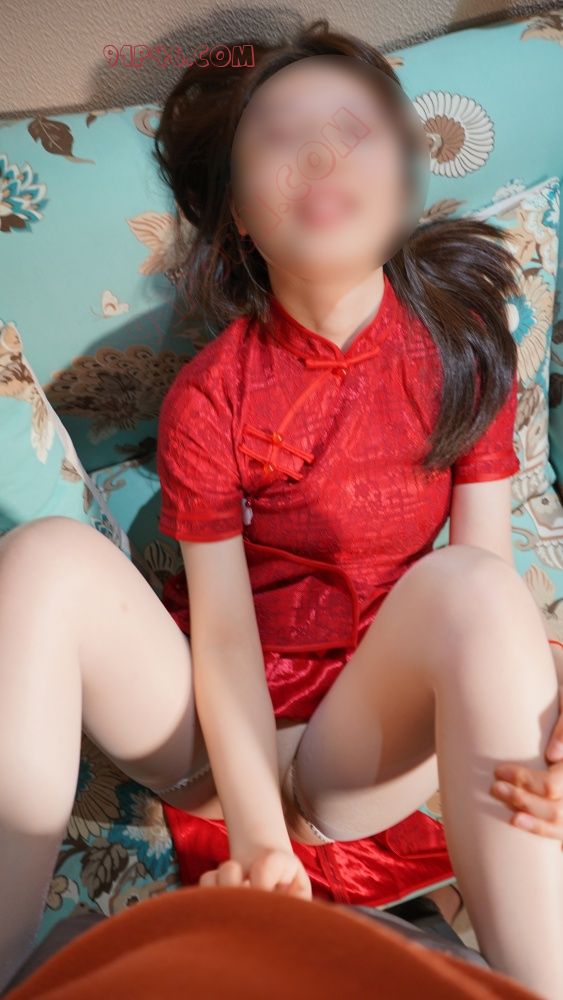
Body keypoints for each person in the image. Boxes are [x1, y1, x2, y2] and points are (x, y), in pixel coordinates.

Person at [1, 17, 563, 1000]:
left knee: (474, 587)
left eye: (353, 129)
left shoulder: (464, 343)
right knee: (43, 558)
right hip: (217, 738)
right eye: (278, 138)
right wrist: (260, 843)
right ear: (239, 216)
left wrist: (543, 701)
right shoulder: (210, 396)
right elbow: (221, 639)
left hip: (366, 741)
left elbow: (486, 587)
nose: (318, 156)